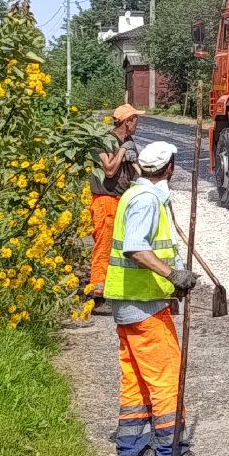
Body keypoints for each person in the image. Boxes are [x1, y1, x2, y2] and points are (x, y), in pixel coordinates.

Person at [104, 140, 212, 456]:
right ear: (169, 168)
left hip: (130, 305)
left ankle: (132, 448)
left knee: (136, 380)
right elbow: (136, 248)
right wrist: (173, 274)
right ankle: (171, 453)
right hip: (145, 306)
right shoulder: (147, 200)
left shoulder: (133, 195)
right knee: (167, 379)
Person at [89, 103, 140, 315]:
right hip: (105, 200)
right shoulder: (104, 141)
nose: (137, 124)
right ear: (127, 121)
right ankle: (99, 296)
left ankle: (115, 290)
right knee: (104, 247)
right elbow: (109, 170)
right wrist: (122, 152)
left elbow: (136, 171)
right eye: (136, 120)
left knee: (119, 248)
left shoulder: (128, 142)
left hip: (121, 199)